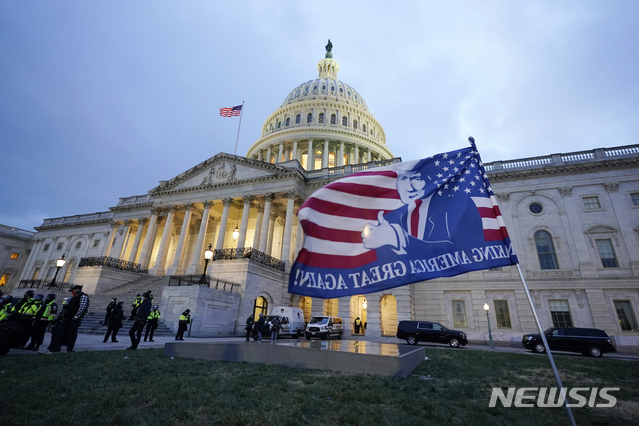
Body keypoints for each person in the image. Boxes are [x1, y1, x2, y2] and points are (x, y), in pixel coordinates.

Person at [47, 285, 90, 353]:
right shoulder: (73, 297)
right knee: (59, 332)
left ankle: (69, 348)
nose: (72, 292)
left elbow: (82, 307)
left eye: (73, 290)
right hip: (66, 318)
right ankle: (54, 347)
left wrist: (76, 316)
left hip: (74, 319)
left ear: (77, 289)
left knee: (72, 334)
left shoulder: (83, 296)